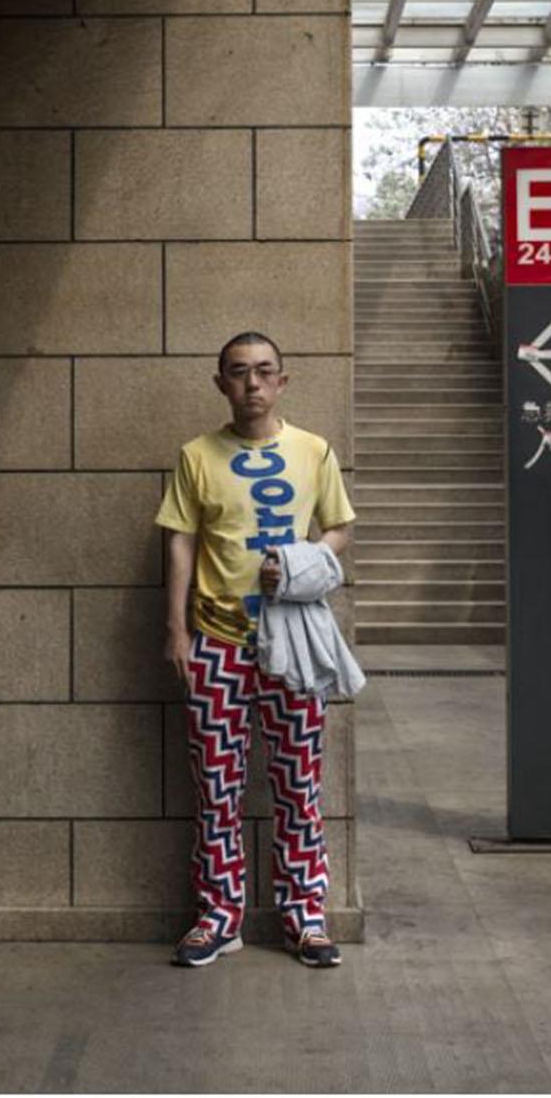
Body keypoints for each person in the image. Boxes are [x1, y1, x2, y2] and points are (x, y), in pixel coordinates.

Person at [155, 330, 355, 969]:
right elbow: (180, 541)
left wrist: (302, 562)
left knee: (299, 786)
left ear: (283, 381)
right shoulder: (196, 456)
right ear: (221, 383)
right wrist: (177, 631)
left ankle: (306, 919)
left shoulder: (313, 451)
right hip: (216, 646)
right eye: (239, 372)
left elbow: (340, 525)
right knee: (216, 789)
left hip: (291, 644)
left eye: (265, 371)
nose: (253, 384)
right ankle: (219, 918)